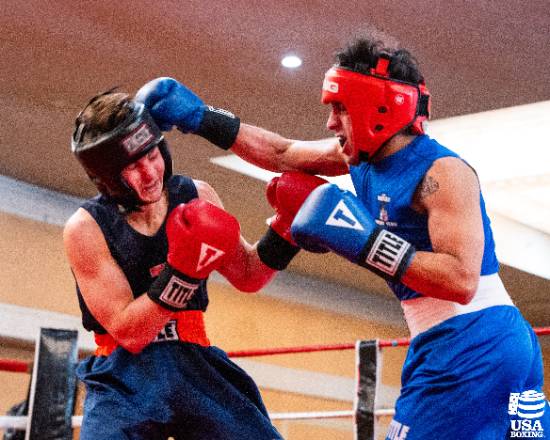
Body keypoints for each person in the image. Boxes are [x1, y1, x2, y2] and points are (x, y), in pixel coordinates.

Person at [135, 37, 550, 439]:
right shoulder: (359, 160)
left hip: (469, 342)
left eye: (340, 108)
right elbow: (282, 153)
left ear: (377, 108)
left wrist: (365, 241)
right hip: (490, 345)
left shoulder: (443, 173)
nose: (331, 122)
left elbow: (461, 280)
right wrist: (203, 118)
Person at [63, 88, 325, 439]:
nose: (150, 172)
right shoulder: (86, 227)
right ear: (107, 178)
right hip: (124, 375)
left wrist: (286, 229)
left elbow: (247, 274)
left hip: (195, 360)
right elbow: (130, 332)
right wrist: (183, 272)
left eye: (152, 155)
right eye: (133, 167)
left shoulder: (197, 195)